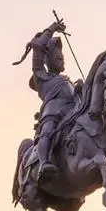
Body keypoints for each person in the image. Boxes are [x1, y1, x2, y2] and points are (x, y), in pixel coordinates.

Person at [25, 18, 81, 181]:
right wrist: (52, 28)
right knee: (47, 131)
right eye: (58, 58)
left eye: (62, 57)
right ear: (48, 60)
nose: (62, 59)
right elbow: (38, 46)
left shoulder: (67, 81)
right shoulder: (41, 77)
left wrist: (80, 89)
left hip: (73, 113)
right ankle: (43, 162)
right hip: (53, 114)